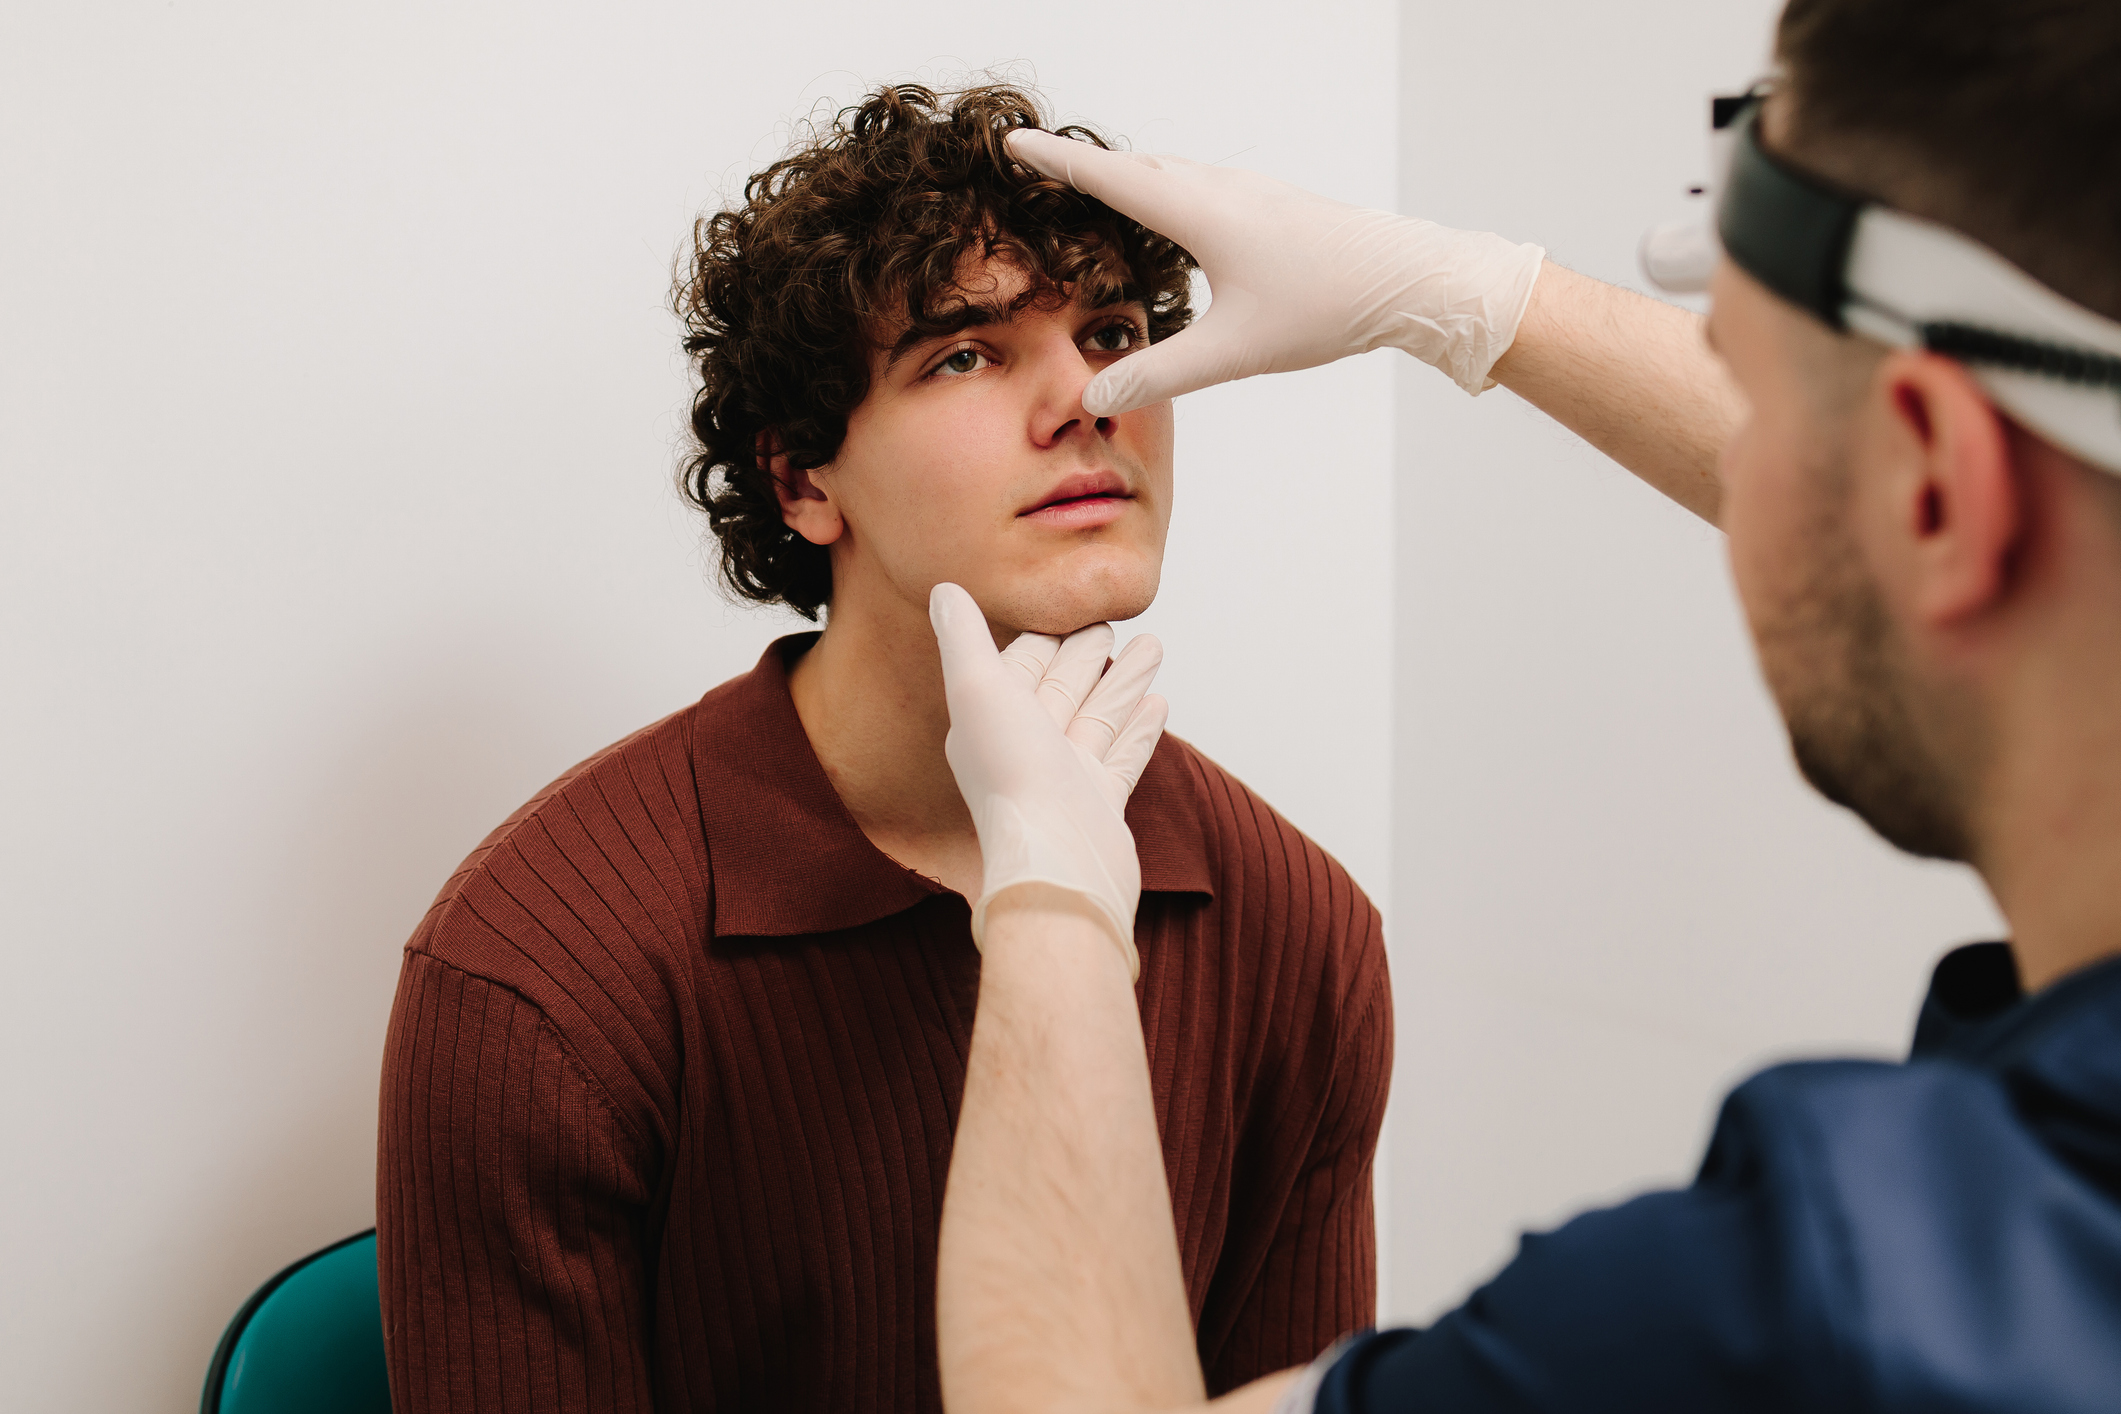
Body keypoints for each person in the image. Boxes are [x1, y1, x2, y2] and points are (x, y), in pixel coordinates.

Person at [929, 1, 2121, 1409]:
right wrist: (1473, 297)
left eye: (1749, 394)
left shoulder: (1822, 1312)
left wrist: (1054, 909)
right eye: (965, 353)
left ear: (1934, 484)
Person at [373, 83, 1392, 1414]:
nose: (1089, 398)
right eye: (965, 354)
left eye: (1112, 333)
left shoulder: (1300, 931)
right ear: (803, 479)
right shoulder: (541, 977)